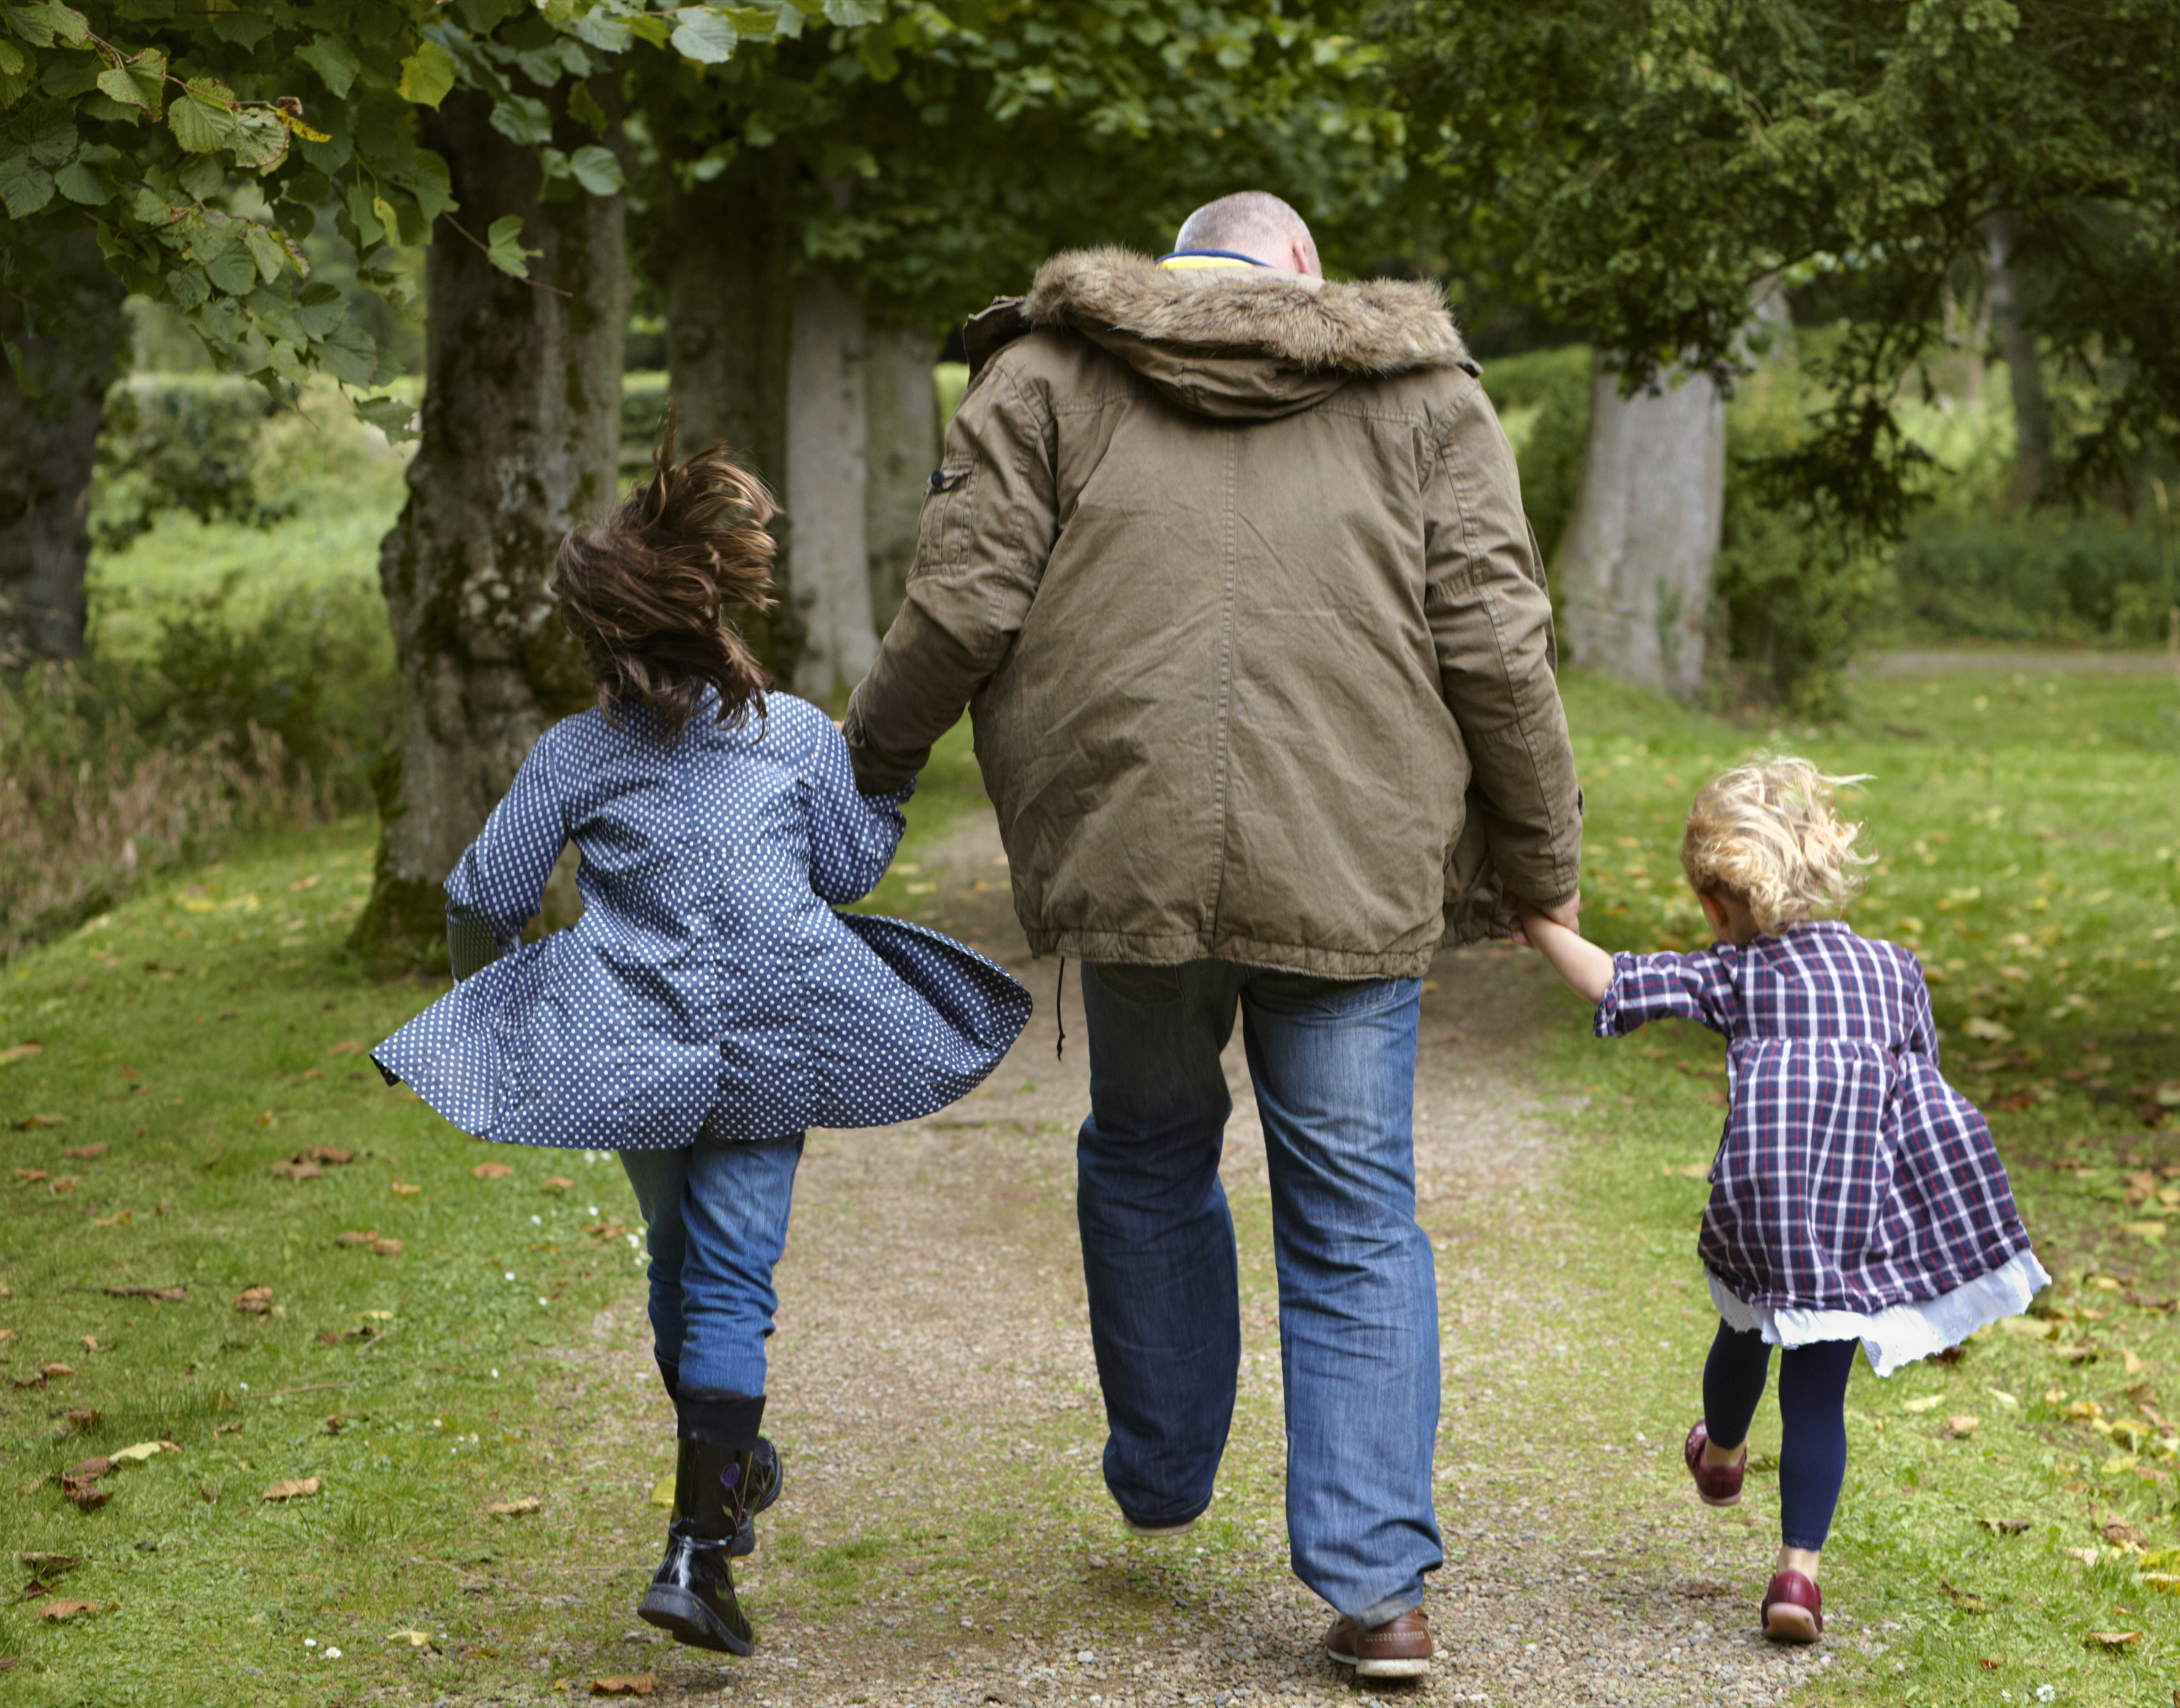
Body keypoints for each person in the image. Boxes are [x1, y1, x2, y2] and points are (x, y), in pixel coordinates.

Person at [843, 191, 1581, 1679]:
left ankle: (1167, 1466)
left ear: (1180, 266)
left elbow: (961, 603)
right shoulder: (1423, 394)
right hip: (1354, 861)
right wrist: (1539, 865)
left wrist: (863, 764)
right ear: (1302, 272)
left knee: (1146, 1145)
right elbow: (1494, 641)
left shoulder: (1042, 376)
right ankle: (1378, 1589)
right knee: (1354, 1215)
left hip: (1132, 849)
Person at [372, 426, 1031, 1658]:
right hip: (782, 1031)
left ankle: (711, 1501)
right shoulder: (788, 732)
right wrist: (874, 784)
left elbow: (480, 894)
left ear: (600, 638)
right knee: (726, 1278)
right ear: (714, 609)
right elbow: (840, 869)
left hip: (631, 1038)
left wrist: (493, 1002)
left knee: (679, 1258)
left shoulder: (576, 754)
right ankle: (701, 1543)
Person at [1511, 756, 2046, 1645]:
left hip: (1759, 1211)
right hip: (1847, 1217)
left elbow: (1612, 981)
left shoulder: (1738, 974)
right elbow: (1922, 1085)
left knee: (1742, 1328)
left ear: (1719, 906)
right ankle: (1798, 1579)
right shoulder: (1895, 971)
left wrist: (1535, 919)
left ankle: (1720, 1455)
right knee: (1817, 1398)